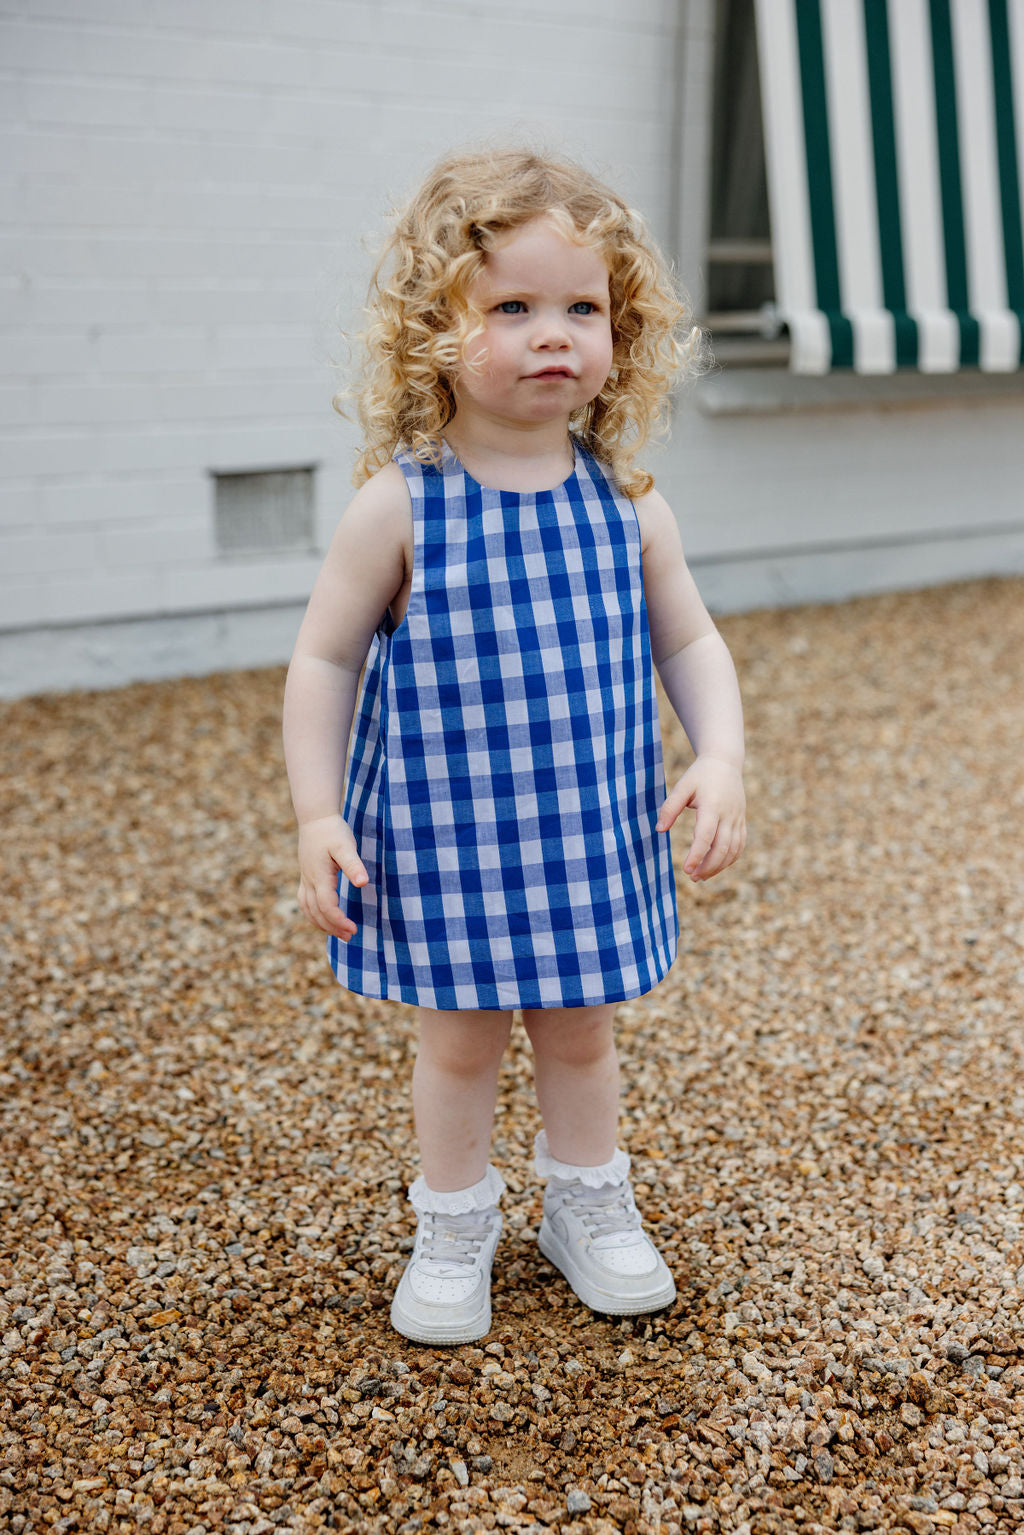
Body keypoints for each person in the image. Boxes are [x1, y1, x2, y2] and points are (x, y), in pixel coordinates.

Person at [282, 147, 746, 1345]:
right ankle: (454, 1219)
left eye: (582, 308)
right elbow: (324, 660)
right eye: (514, 307)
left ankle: (586, 1204)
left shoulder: (627, 503)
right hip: (447, 839)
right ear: (435, 329)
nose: (555, 335)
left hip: (590, 834)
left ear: (621, 330)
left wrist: (721, 752)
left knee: (583, 1030)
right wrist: (317, 813)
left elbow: (688, 638)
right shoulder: (403, 502)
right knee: (460, 1039)